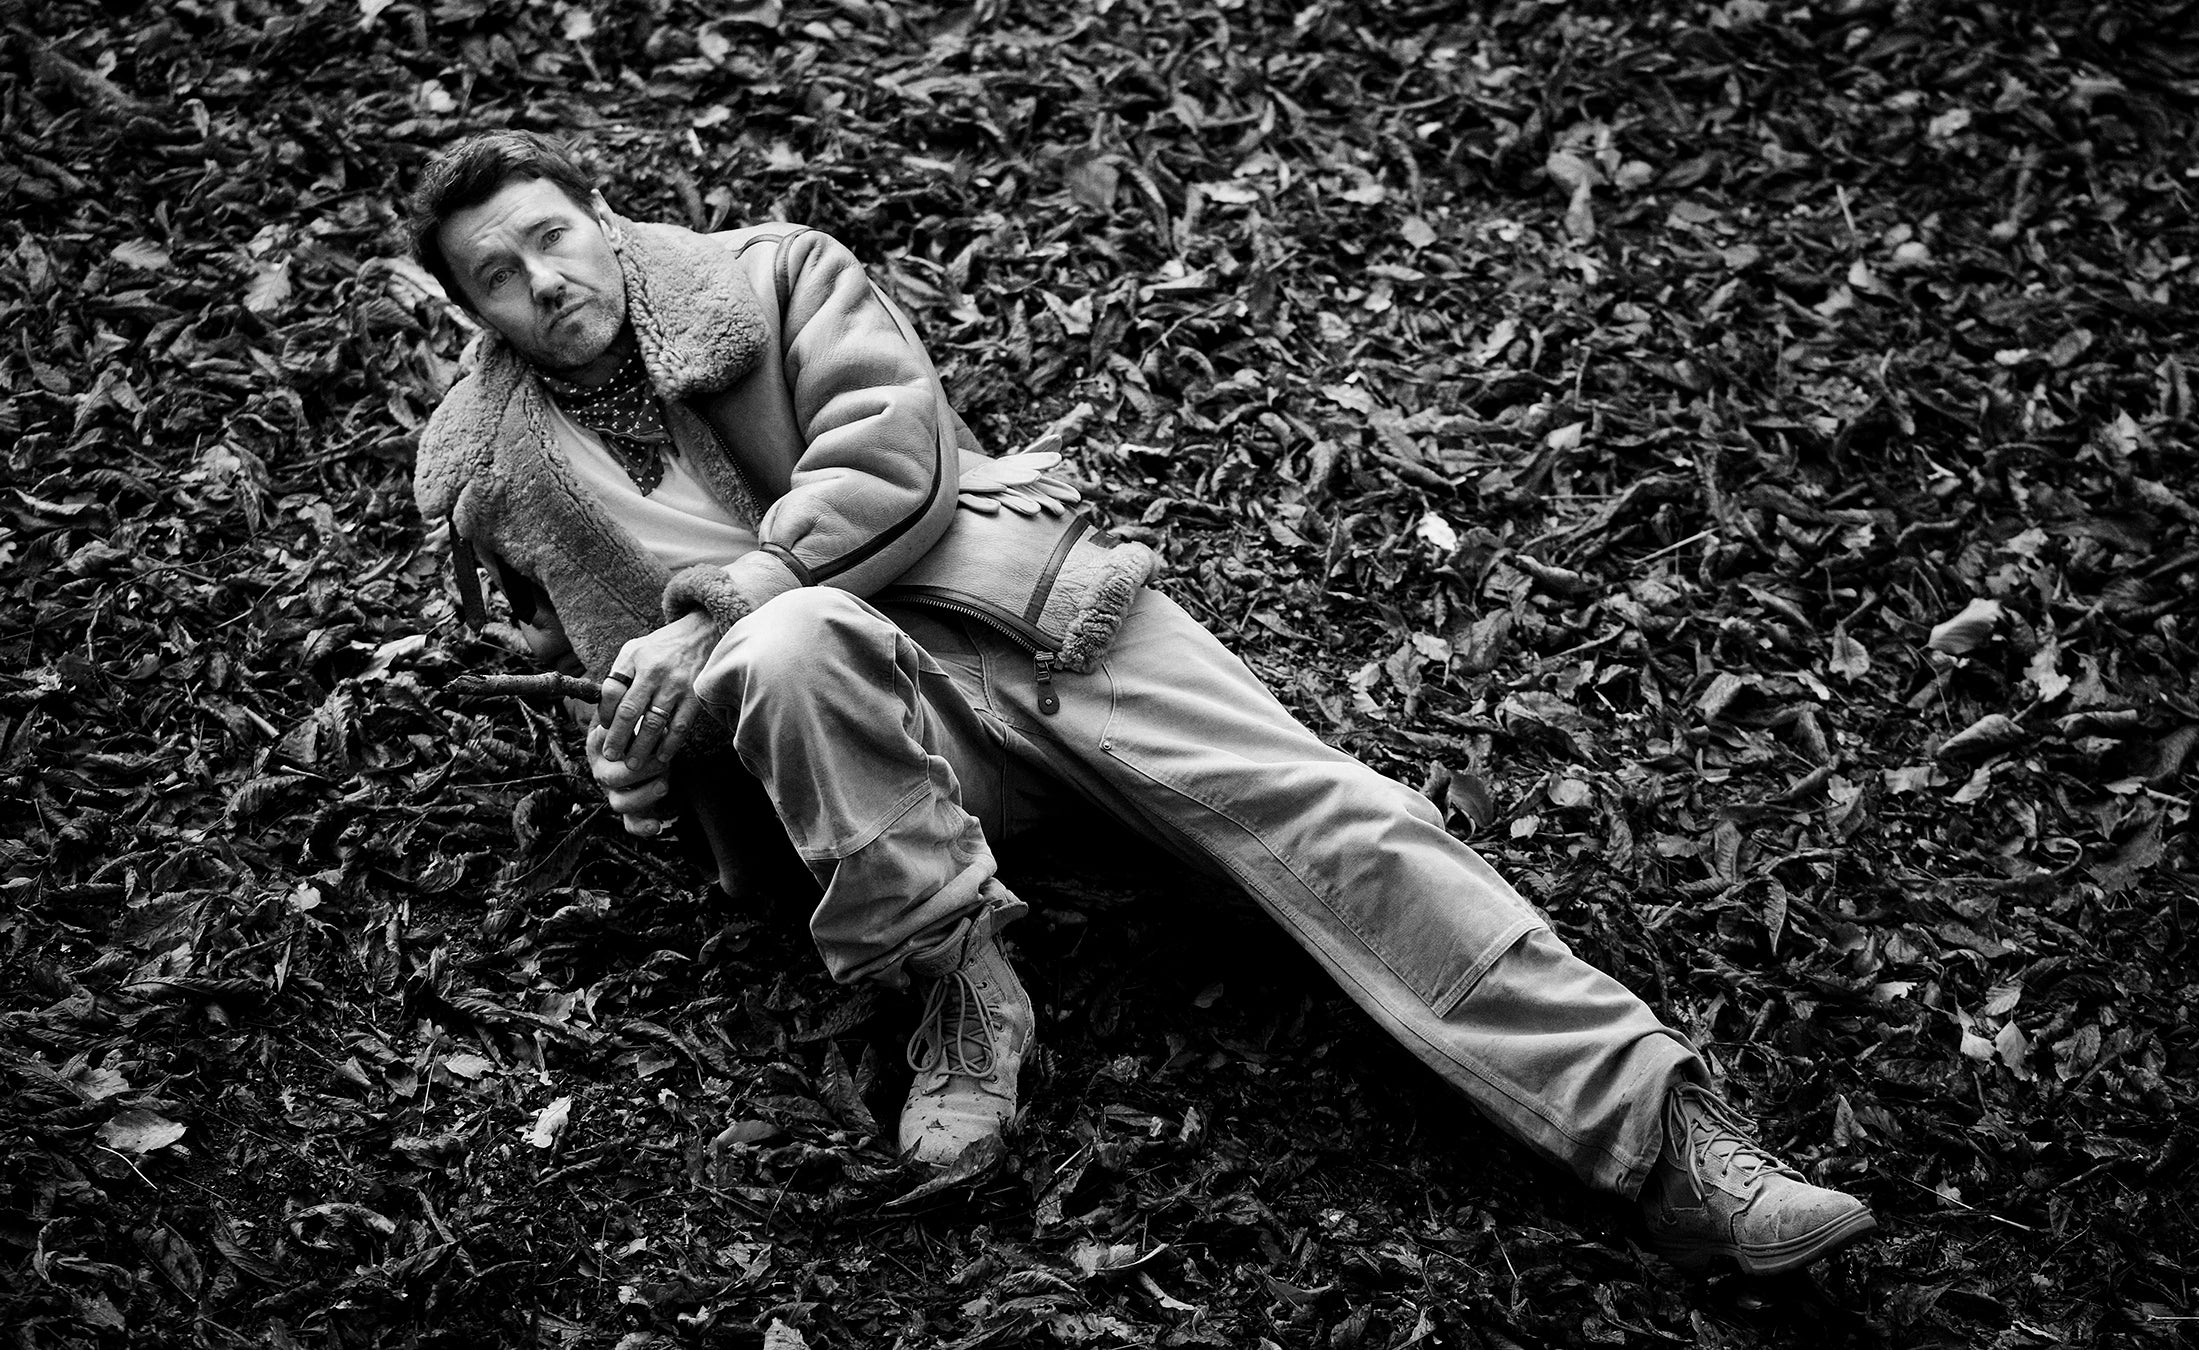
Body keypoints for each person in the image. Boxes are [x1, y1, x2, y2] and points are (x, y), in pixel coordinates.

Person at [404, 130, 1875, 1277]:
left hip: (1033, 620)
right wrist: (638, 747)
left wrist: (740, 590)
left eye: (553, 235)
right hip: (877, 742)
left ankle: (1671, 1136)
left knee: (1338, 815)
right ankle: (957, 987)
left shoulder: (769, 273)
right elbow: (614, 671)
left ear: (601, 216)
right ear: (472, 313)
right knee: (787, 652)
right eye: (500, 274)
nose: (546, 279)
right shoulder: (502, 474)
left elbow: (893, 451)